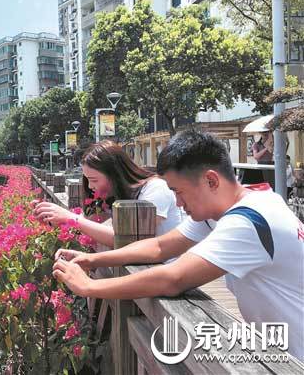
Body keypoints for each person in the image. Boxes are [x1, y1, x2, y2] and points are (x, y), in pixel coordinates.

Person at [53, 131, 304, 360]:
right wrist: (93, 260)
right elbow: (160, 247)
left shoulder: (248, 221)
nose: (178, 203)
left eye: (179, 192)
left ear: (211, 181)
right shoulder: (234, 207)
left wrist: (89, 286)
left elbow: (174, 278)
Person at [34, 140, 183, 248]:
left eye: (94, 180)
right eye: (87, 180)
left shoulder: (155, 189)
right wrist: (58, 220)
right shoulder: (117, 197)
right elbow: (90, 225)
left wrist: (70, 218)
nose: (91, 187)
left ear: (115, 174)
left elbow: (127, 240)